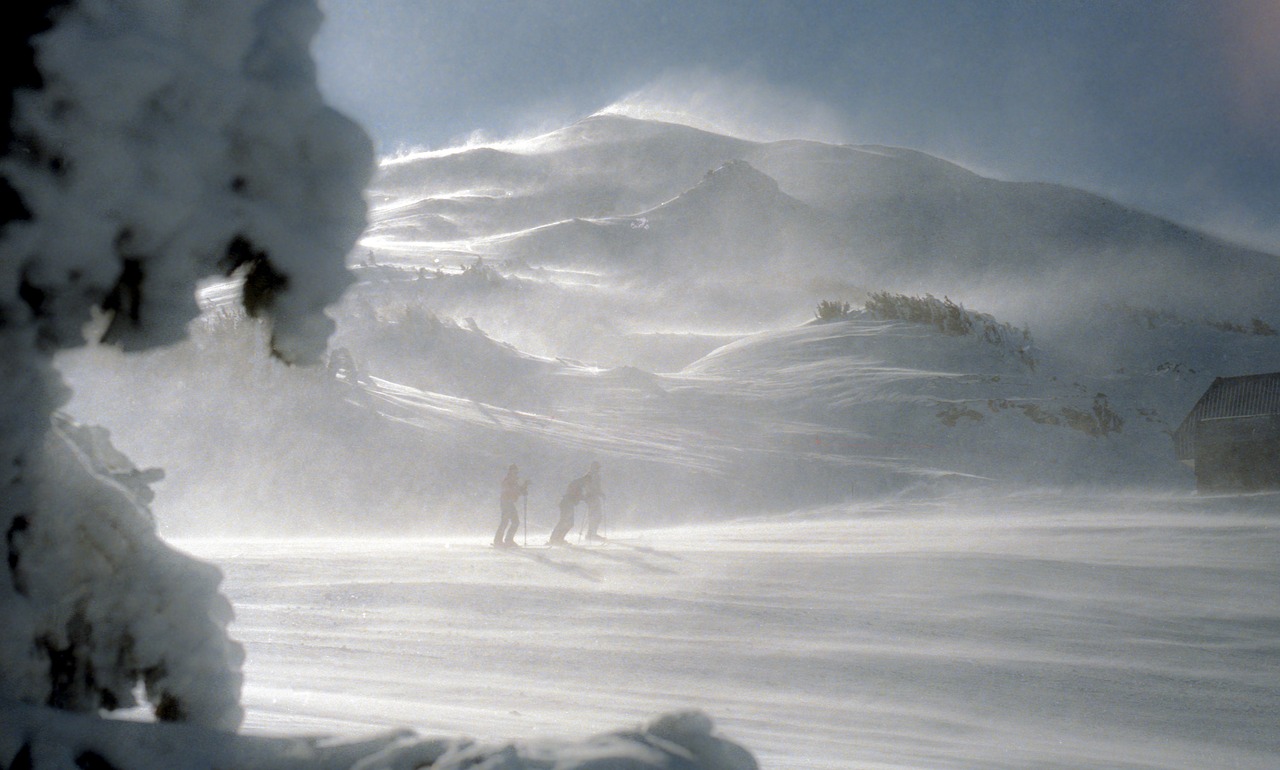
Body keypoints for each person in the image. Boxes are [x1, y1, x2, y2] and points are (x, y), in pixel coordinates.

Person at [548, 469, 589, 545]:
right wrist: (585, 498)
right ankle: (555, 539)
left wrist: (583, 498)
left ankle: (559, 538)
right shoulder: (577, 484)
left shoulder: (578, 484)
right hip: (567, 504)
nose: (587, 485)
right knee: (565, 522)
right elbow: (575, 495)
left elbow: (576, 495)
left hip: (568, 504)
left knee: (568, 523)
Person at [493, 464, 528, 547]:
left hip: (508, 502)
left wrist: (524, 488)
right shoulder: (509, 480)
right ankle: (502, 540)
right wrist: (522, 490)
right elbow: (513, 491)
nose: (515, 472)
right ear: (510, 471)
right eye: (514, 471)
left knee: (512, 521)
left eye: (516, 471)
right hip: (506, 502)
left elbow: (516, 490)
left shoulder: (513, 480)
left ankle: (504, 540)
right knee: (509, 521)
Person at [582, 461, 606, 541]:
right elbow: (592, 487)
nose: (599, 469)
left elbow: (595, 487)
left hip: (592, 497)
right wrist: (600, 493)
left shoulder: (591, 475)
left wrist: (600, 493)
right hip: (592, 497)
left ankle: (592, 534)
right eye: (598, 467)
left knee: (596, 516)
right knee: (595, 516)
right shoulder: (591, 476)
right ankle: (591, 534)